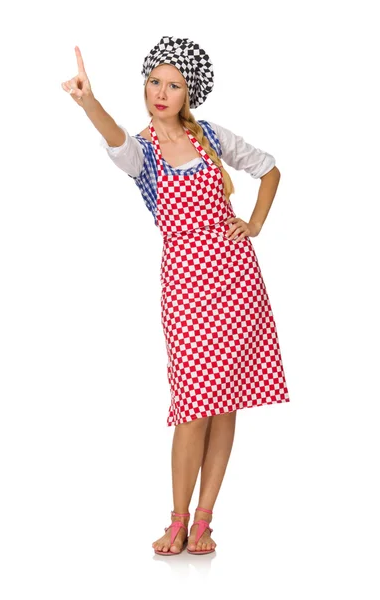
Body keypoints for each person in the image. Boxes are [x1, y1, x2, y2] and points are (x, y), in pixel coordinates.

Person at [61, 36, 290, 557]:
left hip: (237, 284)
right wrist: (87, 100)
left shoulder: (211, 135)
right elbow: (114, 139)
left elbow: (270, 168)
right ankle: (177, 519)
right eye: (154, 83)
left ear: (190, 92)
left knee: (227, 400)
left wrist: (253, 223)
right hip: (185, 290)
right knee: (193, 405)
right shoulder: (142, 151)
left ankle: (204, 522)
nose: (161, 93)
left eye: (174, 85)